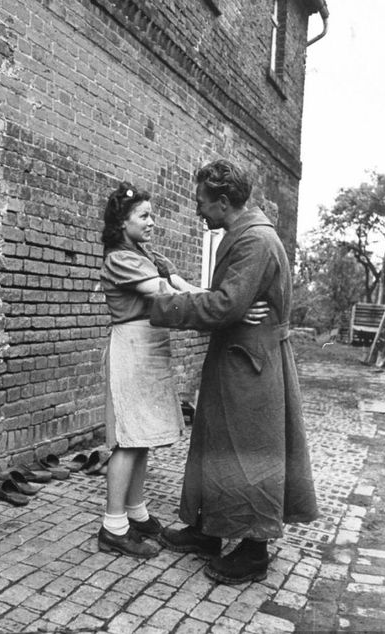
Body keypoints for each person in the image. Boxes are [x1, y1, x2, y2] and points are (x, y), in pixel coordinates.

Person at [150, 159, 318, 584]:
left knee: (250, 453)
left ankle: (254, 550)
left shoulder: (255, 241)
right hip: (238, 355)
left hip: (251, 365)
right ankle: (207, 530)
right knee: (215, 444)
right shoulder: (241, 233)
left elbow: (226, 305)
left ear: (224, 202)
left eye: (202, 203)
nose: (198, 211)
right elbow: (233, 302)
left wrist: (162, 304)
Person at [98, 181, 267, 559]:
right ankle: (113, 525)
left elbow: (181, 285)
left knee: (141, 436)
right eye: (144, 215)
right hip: (131, 348)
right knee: (127, 439)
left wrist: (227, 303)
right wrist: (229, 307)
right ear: (122, 223)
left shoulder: (146, 254)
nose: (152, 221)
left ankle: (136, 512)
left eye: (153, 214)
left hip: (151, 346)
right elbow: (166, 294)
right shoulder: (119, 258)